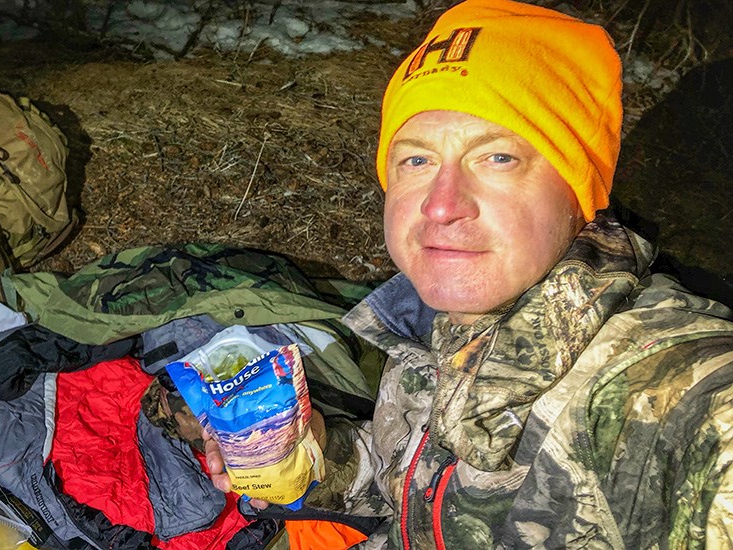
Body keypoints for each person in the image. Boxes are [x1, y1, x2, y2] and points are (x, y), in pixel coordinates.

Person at [203, 0, 733, 547]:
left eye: (498, 157)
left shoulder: (675, 392)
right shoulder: (442, 327)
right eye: (416, 160)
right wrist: (312, 455)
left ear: (582, 196)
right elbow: (410, 480)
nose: (440, 205)